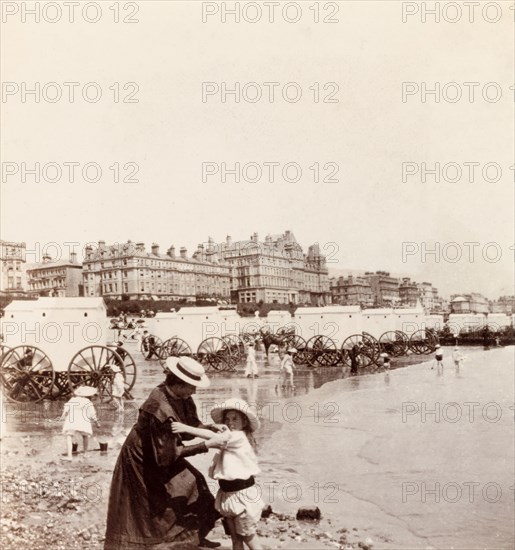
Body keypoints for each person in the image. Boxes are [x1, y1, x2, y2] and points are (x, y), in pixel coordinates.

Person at [104, 356, 223, 549]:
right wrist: (207, 445)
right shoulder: (160, 407)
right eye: (191, 387)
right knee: (153, 502)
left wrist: (209, 428)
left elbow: (189, 425)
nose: (194, 391)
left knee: (196, 481)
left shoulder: (180, 396)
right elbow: (167, 457)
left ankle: (195, 536)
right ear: (179, 384)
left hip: (164, 448)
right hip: (143, 456)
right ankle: (162, 542)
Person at [172, 398, 264, 550]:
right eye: (227, 419)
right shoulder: (230, 439)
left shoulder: (238, 437)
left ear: (244, 422)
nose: (230, 423)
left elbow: (210, 436)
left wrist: (185, 428)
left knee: (250, 538)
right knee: (235, 539)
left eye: (235, 419)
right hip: (228, 494)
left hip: (243, 495)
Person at [60, 386, 100, 461]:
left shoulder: (72, 400)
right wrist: (96, 422)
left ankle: (69, 456)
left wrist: (63, 416)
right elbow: (92, 414)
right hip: (83, 421)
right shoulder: (87, 402)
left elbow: (66, 409)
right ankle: (85, 453)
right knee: (85, 436)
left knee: (69, 436)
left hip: (72, 420)